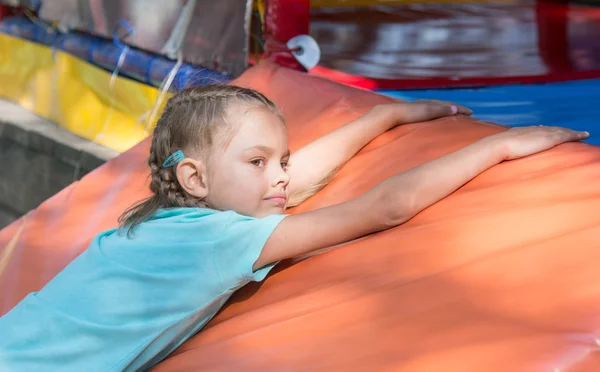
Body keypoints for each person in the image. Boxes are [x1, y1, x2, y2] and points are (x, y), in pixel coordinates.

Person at [0, 85, 589, 371]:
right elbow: (385, 207)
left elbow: (294, 177)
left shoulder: (166, 218)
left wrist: (380, 116)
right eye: (259, 162)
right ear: (195, 176)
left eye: (280, 159)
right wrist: (499, 146)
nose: (281, 176)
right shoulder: (217, 240)